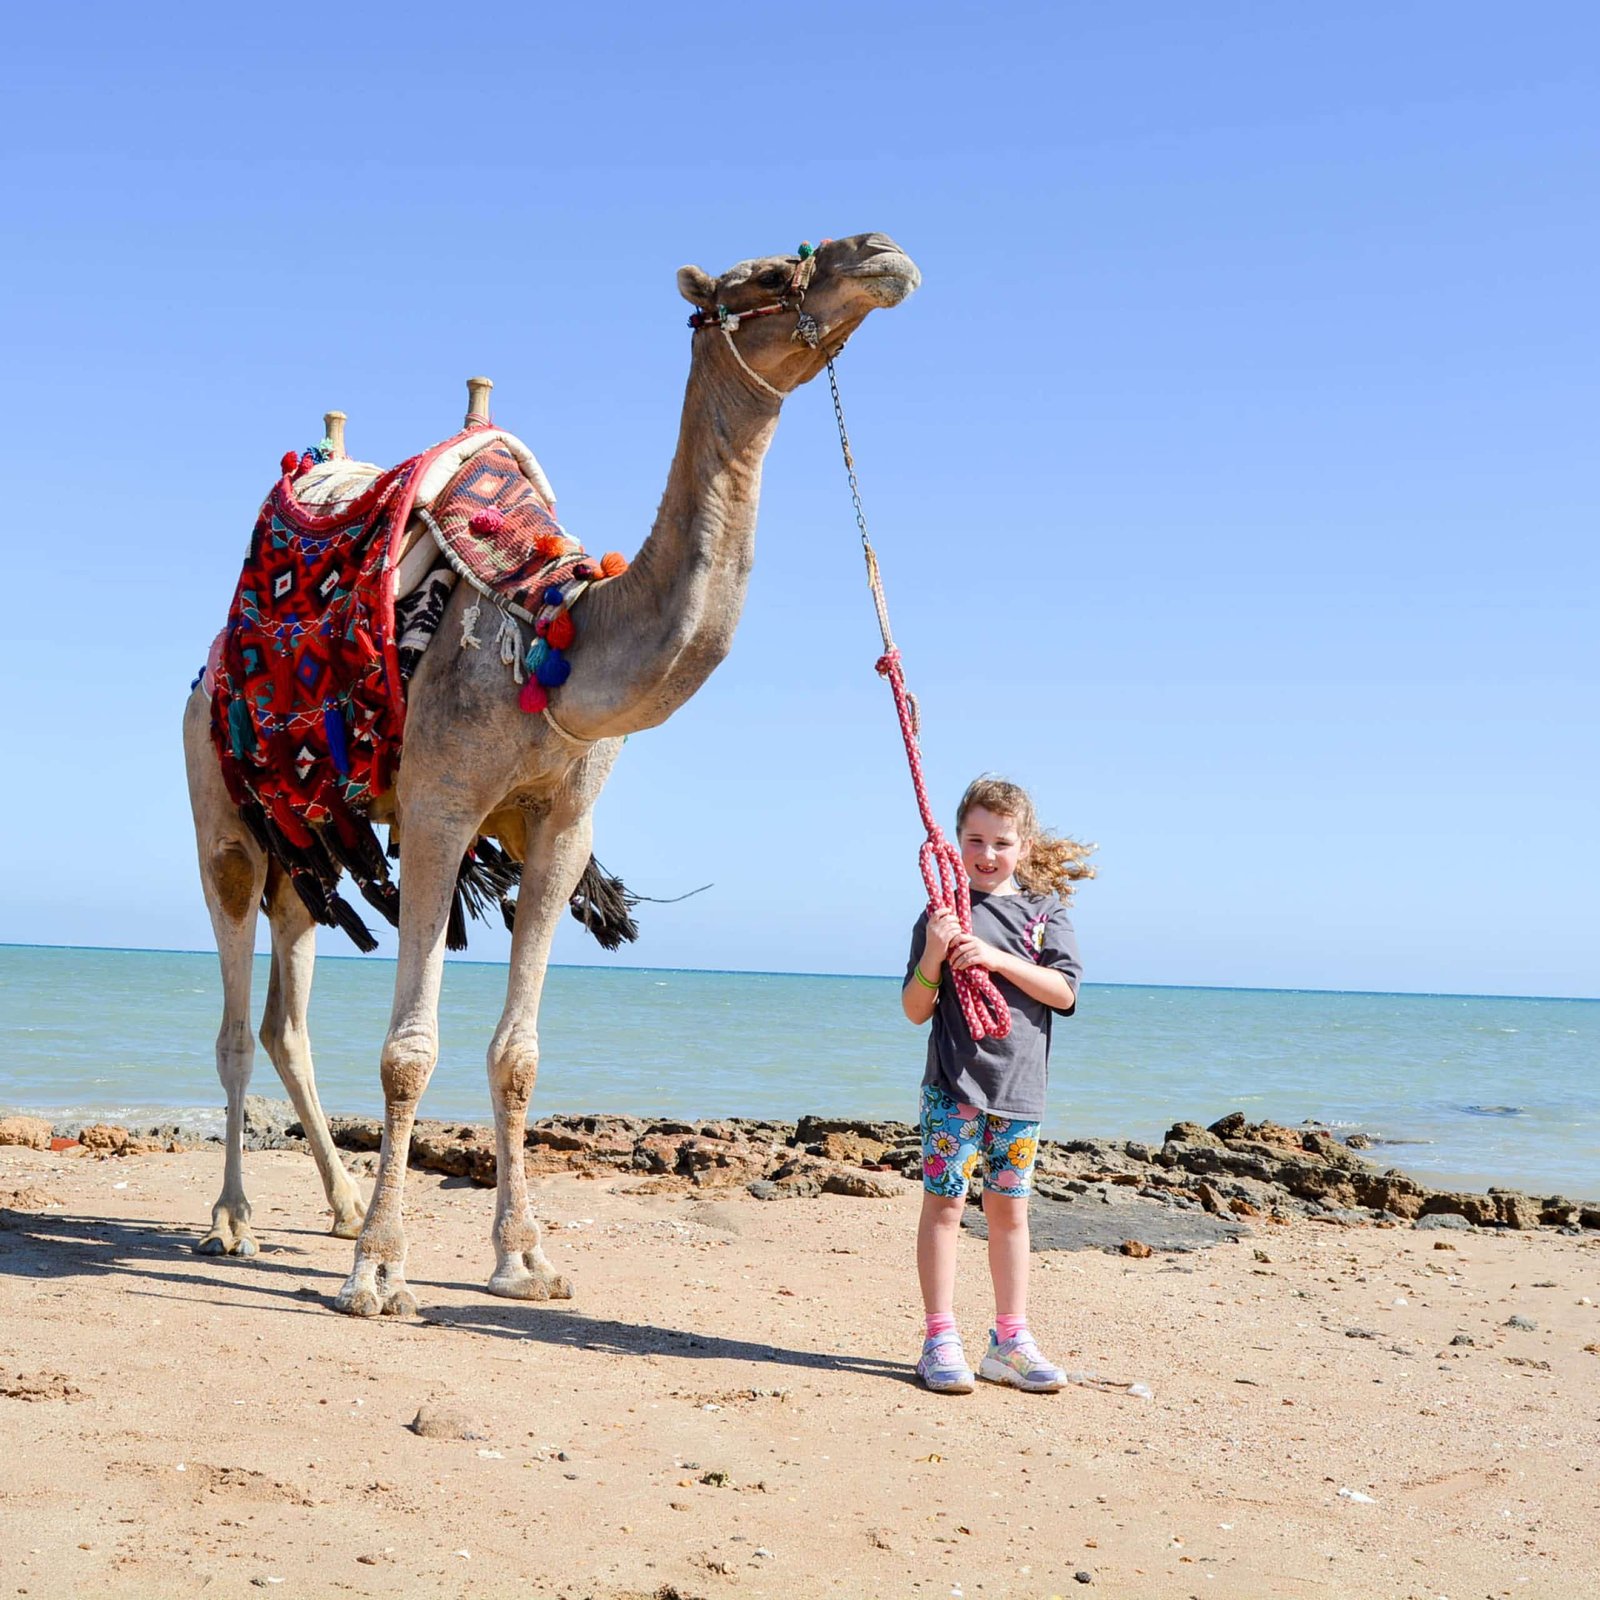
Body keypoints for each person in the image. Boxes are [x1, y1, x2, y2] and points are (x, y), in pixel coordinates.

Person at [901, 775, 1093, 1394]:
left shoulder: (1046, 914)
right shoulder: (942, 913)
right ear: (955, 840)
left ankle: (1009, 1340)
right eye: (974, 840)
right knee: (946, 1206)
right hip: (953, 1087)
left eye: (1001, 843)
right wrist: (937, 950)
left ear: (1025, 845)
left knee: (1010, 1214)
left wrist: (996, 959)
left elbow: (1063, 991)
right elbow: (914, 1009)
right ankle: (940, 1338)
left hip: (1019, 1093)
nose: (987, 855)